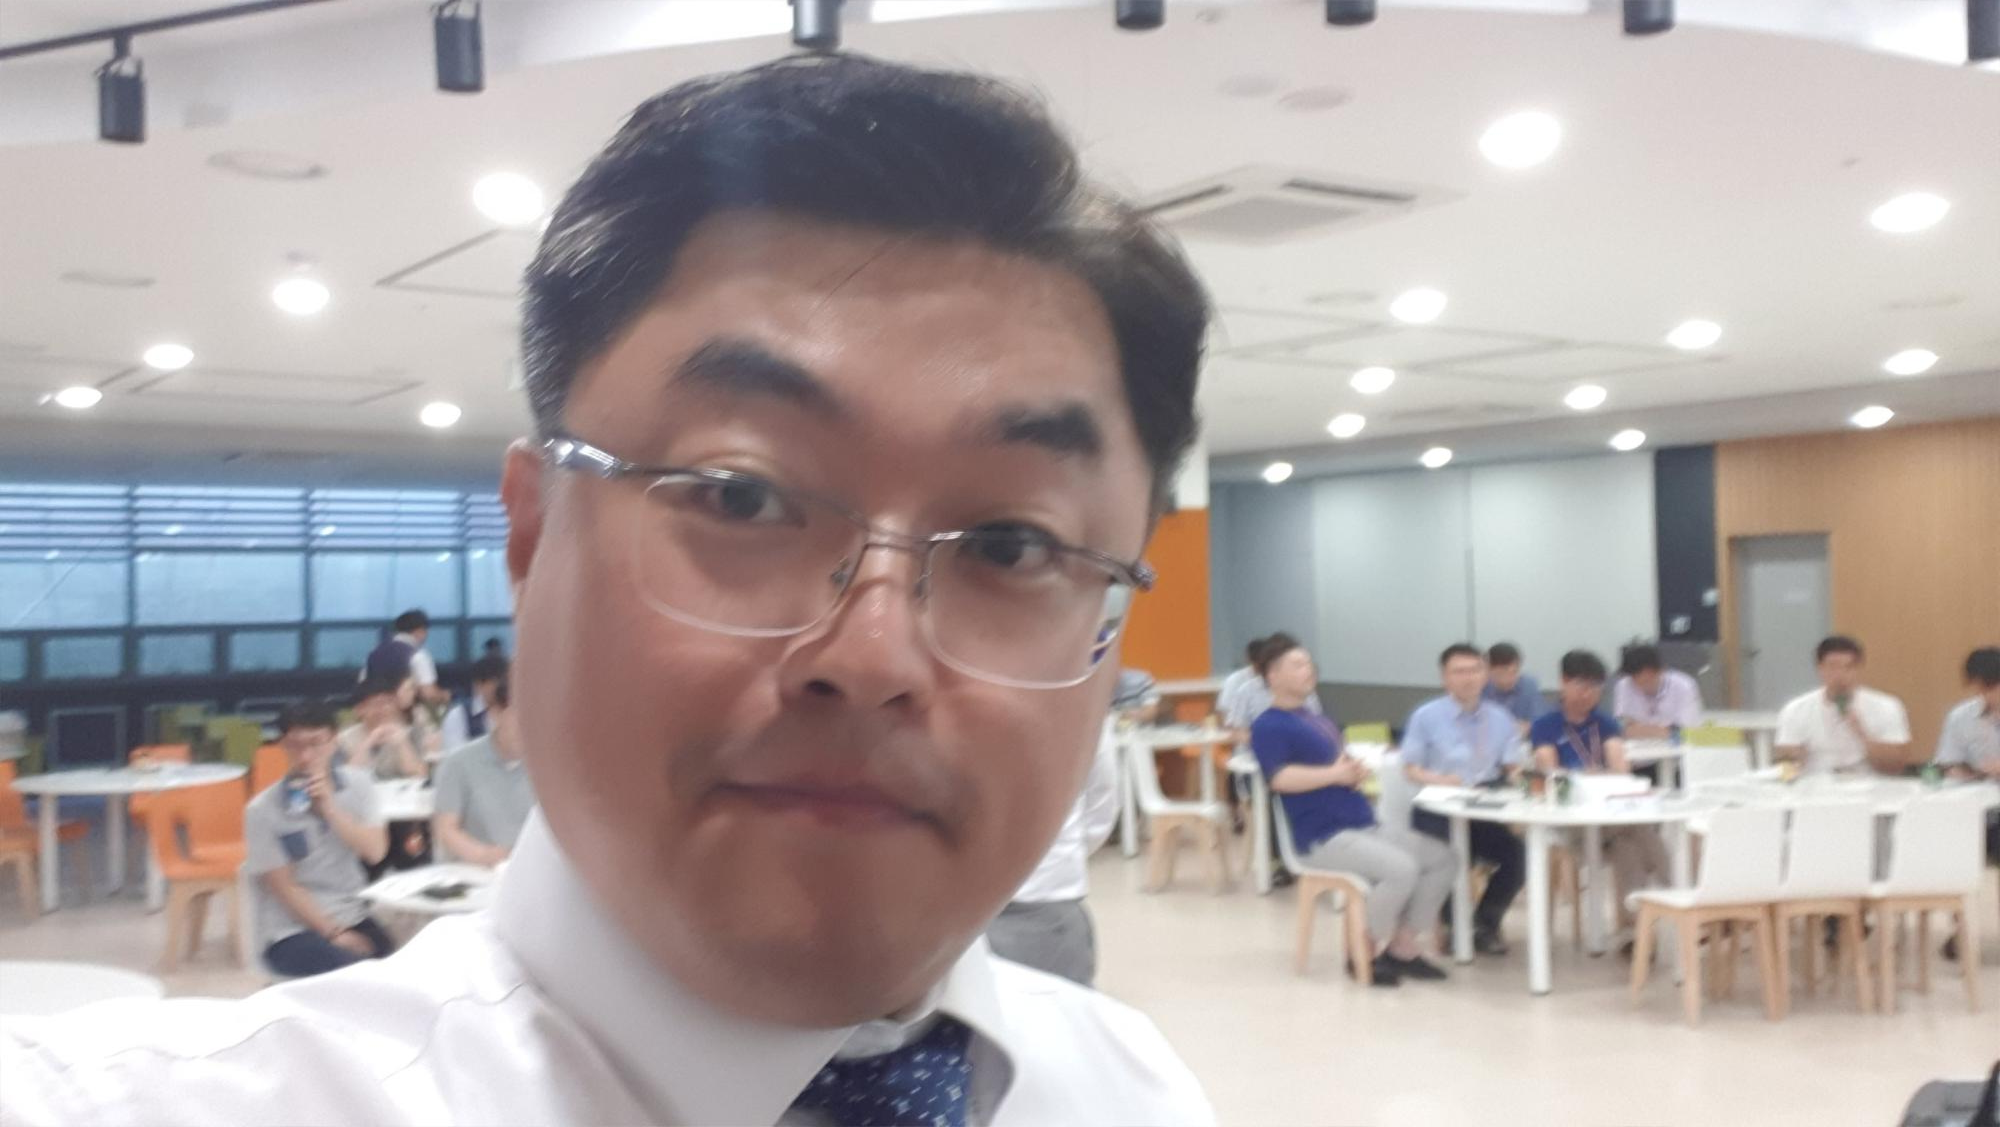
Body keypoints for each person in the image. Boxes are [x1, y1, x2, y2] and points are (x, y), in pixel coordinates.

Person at [1, 54, 1213, 1123]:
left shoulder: (1135, 1090)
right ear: (532, 537)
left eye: (1009, 542)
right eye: (740, 494)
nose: (873, 654)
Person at [1253, 641, 1452, 987]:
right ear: (1273, 675)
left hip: (1362, 823)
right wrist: (1335, 774)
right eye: (1297, 665)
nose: (1309, 671)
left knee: (1443, 858)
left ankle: (1403, 947)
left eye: (1309, 663)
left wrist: (1352, 770)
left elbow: (1336, 766)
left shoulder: (1317, 718)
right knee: (1401, 869)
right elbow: (1280, 779)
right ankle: (1363, 951)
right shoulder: (1269, 725)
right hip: (1322, 835)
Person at [985, 687, 1125, 987]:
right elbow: (1101, 805)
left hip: (1035, 899)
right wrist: (1061, 853)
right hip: (1049, 892)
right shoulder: (1081, 700)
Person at [244, 701, 393, 978]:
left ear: (334, 741)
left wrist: (330, 808)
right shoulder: (262, 810)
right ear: (282, 745)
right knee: (354, 974)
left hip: (352, 914)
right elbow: (284, 886)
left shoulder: (360, 785)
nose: (306, 756)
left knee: (398, 968)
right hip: (289, 930)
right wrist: (334, 933)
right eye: (295, 746)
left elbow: (375, 852)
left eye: (316, 743)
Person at [1529, 649, 1668, 939]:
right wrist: (1586, 778)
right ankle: (1679, 893)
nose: (1588, 694)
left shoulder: (1605, 724)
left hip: (1609, 817)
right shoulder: (1545, 726)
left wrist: (1606, 775)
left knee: (1628, 847)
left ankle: (1634, 934)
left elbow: (1621, 770)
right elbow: (1551, 773)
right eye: (1581, 685)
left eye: (1595, 687)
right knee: (1640, 830)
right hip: (1570, 820)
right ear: (1563, 682)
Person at [1402, 643, 1526, 955]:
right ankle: (1453, 926)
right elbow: (1410, 768)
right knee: (1453, 859)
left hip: (1482, 806)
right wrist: (1442, 780)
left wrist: (1519, 779)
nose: (1468, 678)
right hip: (1437, 807)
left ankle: (1485, 923)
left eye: (1474, 670)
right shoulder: (1425, 716)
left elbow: (1511, 766)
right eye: (1459, 671)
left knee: (1518, 857)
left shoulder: (1500, 718)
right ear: (1444, 677)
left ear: (1485, 675)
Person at [1935, 646, 2000, 962]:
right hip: (1975, 806)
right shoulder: (1961, 717)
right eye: (1980, 687)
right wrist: (1964, 771)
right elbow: (1947, 763)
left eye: (1992, 686)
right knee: (1947, 841)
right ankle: (1959, 928)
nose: (1986, 695)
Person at [432, 675, 537, 866]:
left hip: (532, 868)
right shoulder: (459, 763)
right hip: (475, 869)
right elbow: (446, 829)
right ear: (496, 714)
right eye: (520, 716)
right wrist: (484, 855)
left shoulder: (547, 767)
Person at [1774, 636, 1911, 775]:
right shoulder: (1796, 709)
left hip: (1868, 781)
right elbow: (1787, 770)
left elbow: (1896, 767)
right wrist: (1795, 758)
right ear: (1820, 668)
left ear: (1859, 669)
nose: (1840, 675)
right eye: (1832, 667)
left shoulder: (1887, 706)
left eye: (1848, 667)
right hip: (1817, 781)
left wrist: (1861, 732)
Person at [1218, 632, 1321, 737]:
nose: (1307, 671)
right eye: (1296, 665)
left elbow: (1316, 724)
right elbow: (1236, 730)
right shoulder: (1247, 691)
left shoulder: (1305, 691)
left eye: (1307, 664)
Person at [338, 675, 428, 781]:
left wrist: (402, 744)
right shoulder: (345, 739)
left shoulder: (411, 733)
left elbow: (420, 776)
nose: (384, 709)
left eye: (388, 702)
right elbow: (347, 779)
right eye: (376, 704)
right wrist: (369, 742)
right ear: (359, 710)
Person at [1611, 645, 1703, 739]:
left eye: (1646, 680)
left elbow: (1686, 730)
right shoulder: (1624, 685)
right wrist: (1659, 730)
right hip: (1635, 744)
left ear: (1660, 671)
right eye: (1634, 679)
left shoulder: (1684, 685)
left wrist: (1639, 729)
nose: (1639, 685)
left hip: (1677, 744)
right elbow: (1620, 725)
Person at [363, 609, 449, 709]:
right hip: (402, 714)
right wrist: (445, 696)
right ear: (420, 631)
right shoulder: (418, 655)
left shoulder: (374, 655)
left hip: (374, 712)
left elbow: (363, 686)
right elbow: (429, 694)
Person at [440, 654, 509, 751]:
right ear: (479, 684)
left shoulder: (515, 712)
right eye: (495, 683)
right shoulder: (459, 715)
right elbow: (454, 754)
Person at [1481, 642, 1542, 731]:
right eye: (1501, 674)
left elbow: (1538, 722)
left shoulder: (1529, 685)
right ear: (1488, 670)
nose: (1508, 679)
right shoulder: (1480, 686)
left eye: (1514, 672)